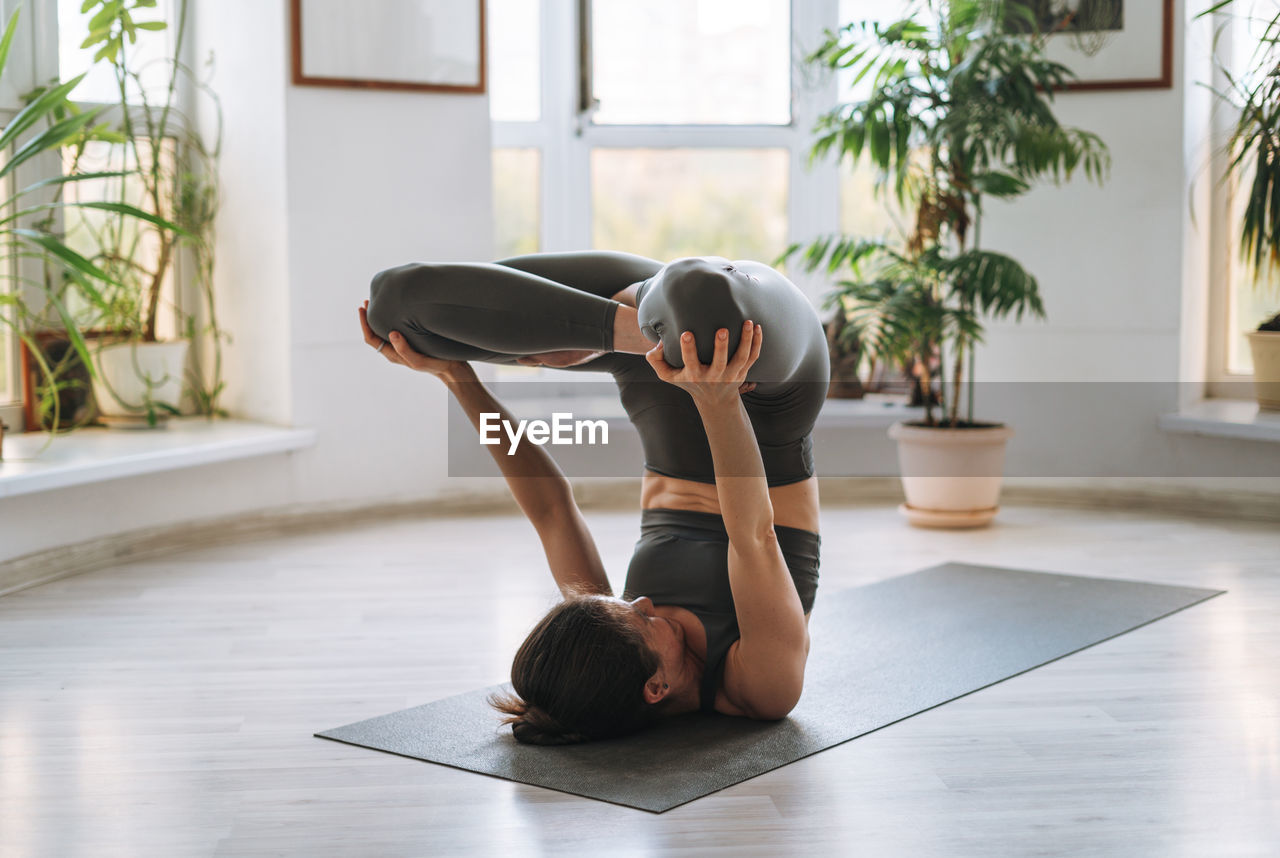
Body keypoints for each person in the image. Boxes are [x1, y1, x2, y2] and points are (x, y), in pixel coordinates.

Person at [358, 252, 829, 744]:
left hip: (656, 369)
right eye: (644, 617)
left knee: (397, 312)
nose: (641, 601)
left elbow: (551, 509)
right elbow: (752, 536)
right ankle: (644, 322)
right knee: (703, 298)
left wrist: (457, 376)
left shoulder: (607, 632)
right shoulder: (761, 688)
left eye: (628, 606)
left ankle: (630, 328)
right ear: (655, 687)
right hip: (764, 395)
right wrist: (718, 397)